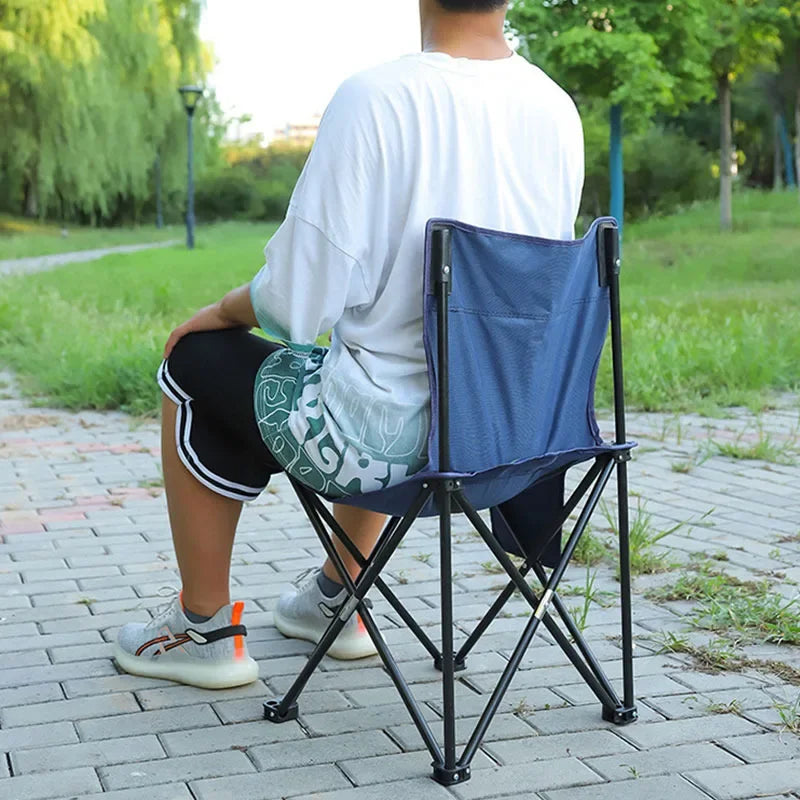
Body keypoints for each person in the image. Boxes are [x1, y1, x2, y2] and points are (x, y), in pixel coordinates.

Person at [113, 0, 584, 689]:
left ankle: (202, 627)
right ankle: (339, 598)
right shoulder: (555, 109)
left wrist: (219, 311)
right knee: (370, 364)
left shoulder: (377, 98)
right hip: (515, 439)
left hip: (389, 452)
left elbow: (298, 301)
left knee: (195, 362)